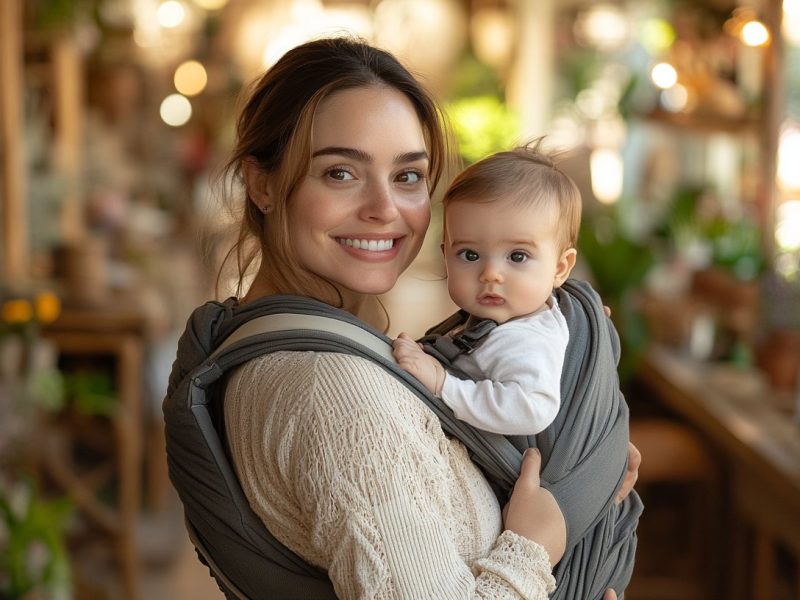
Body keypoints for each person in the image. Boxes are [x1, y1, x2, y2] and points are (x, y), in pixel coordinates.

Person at [164, 36, 638, 599]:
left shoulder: (308, 350)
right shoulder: (334, 394)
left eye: (408, 176)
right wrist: (536, 544)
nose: (384, 209)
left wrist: (581, 476)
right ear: (261, 183)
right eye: (341, 172)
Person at [392, 144, 580, 436]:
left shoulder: (528, 340)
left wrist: (443, 382)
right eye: (469, 255)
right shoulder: (506, 321)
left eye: (517, 256)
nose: (490, 274)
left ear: (560, 268)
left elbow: (531, 410)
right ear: (446, 256)